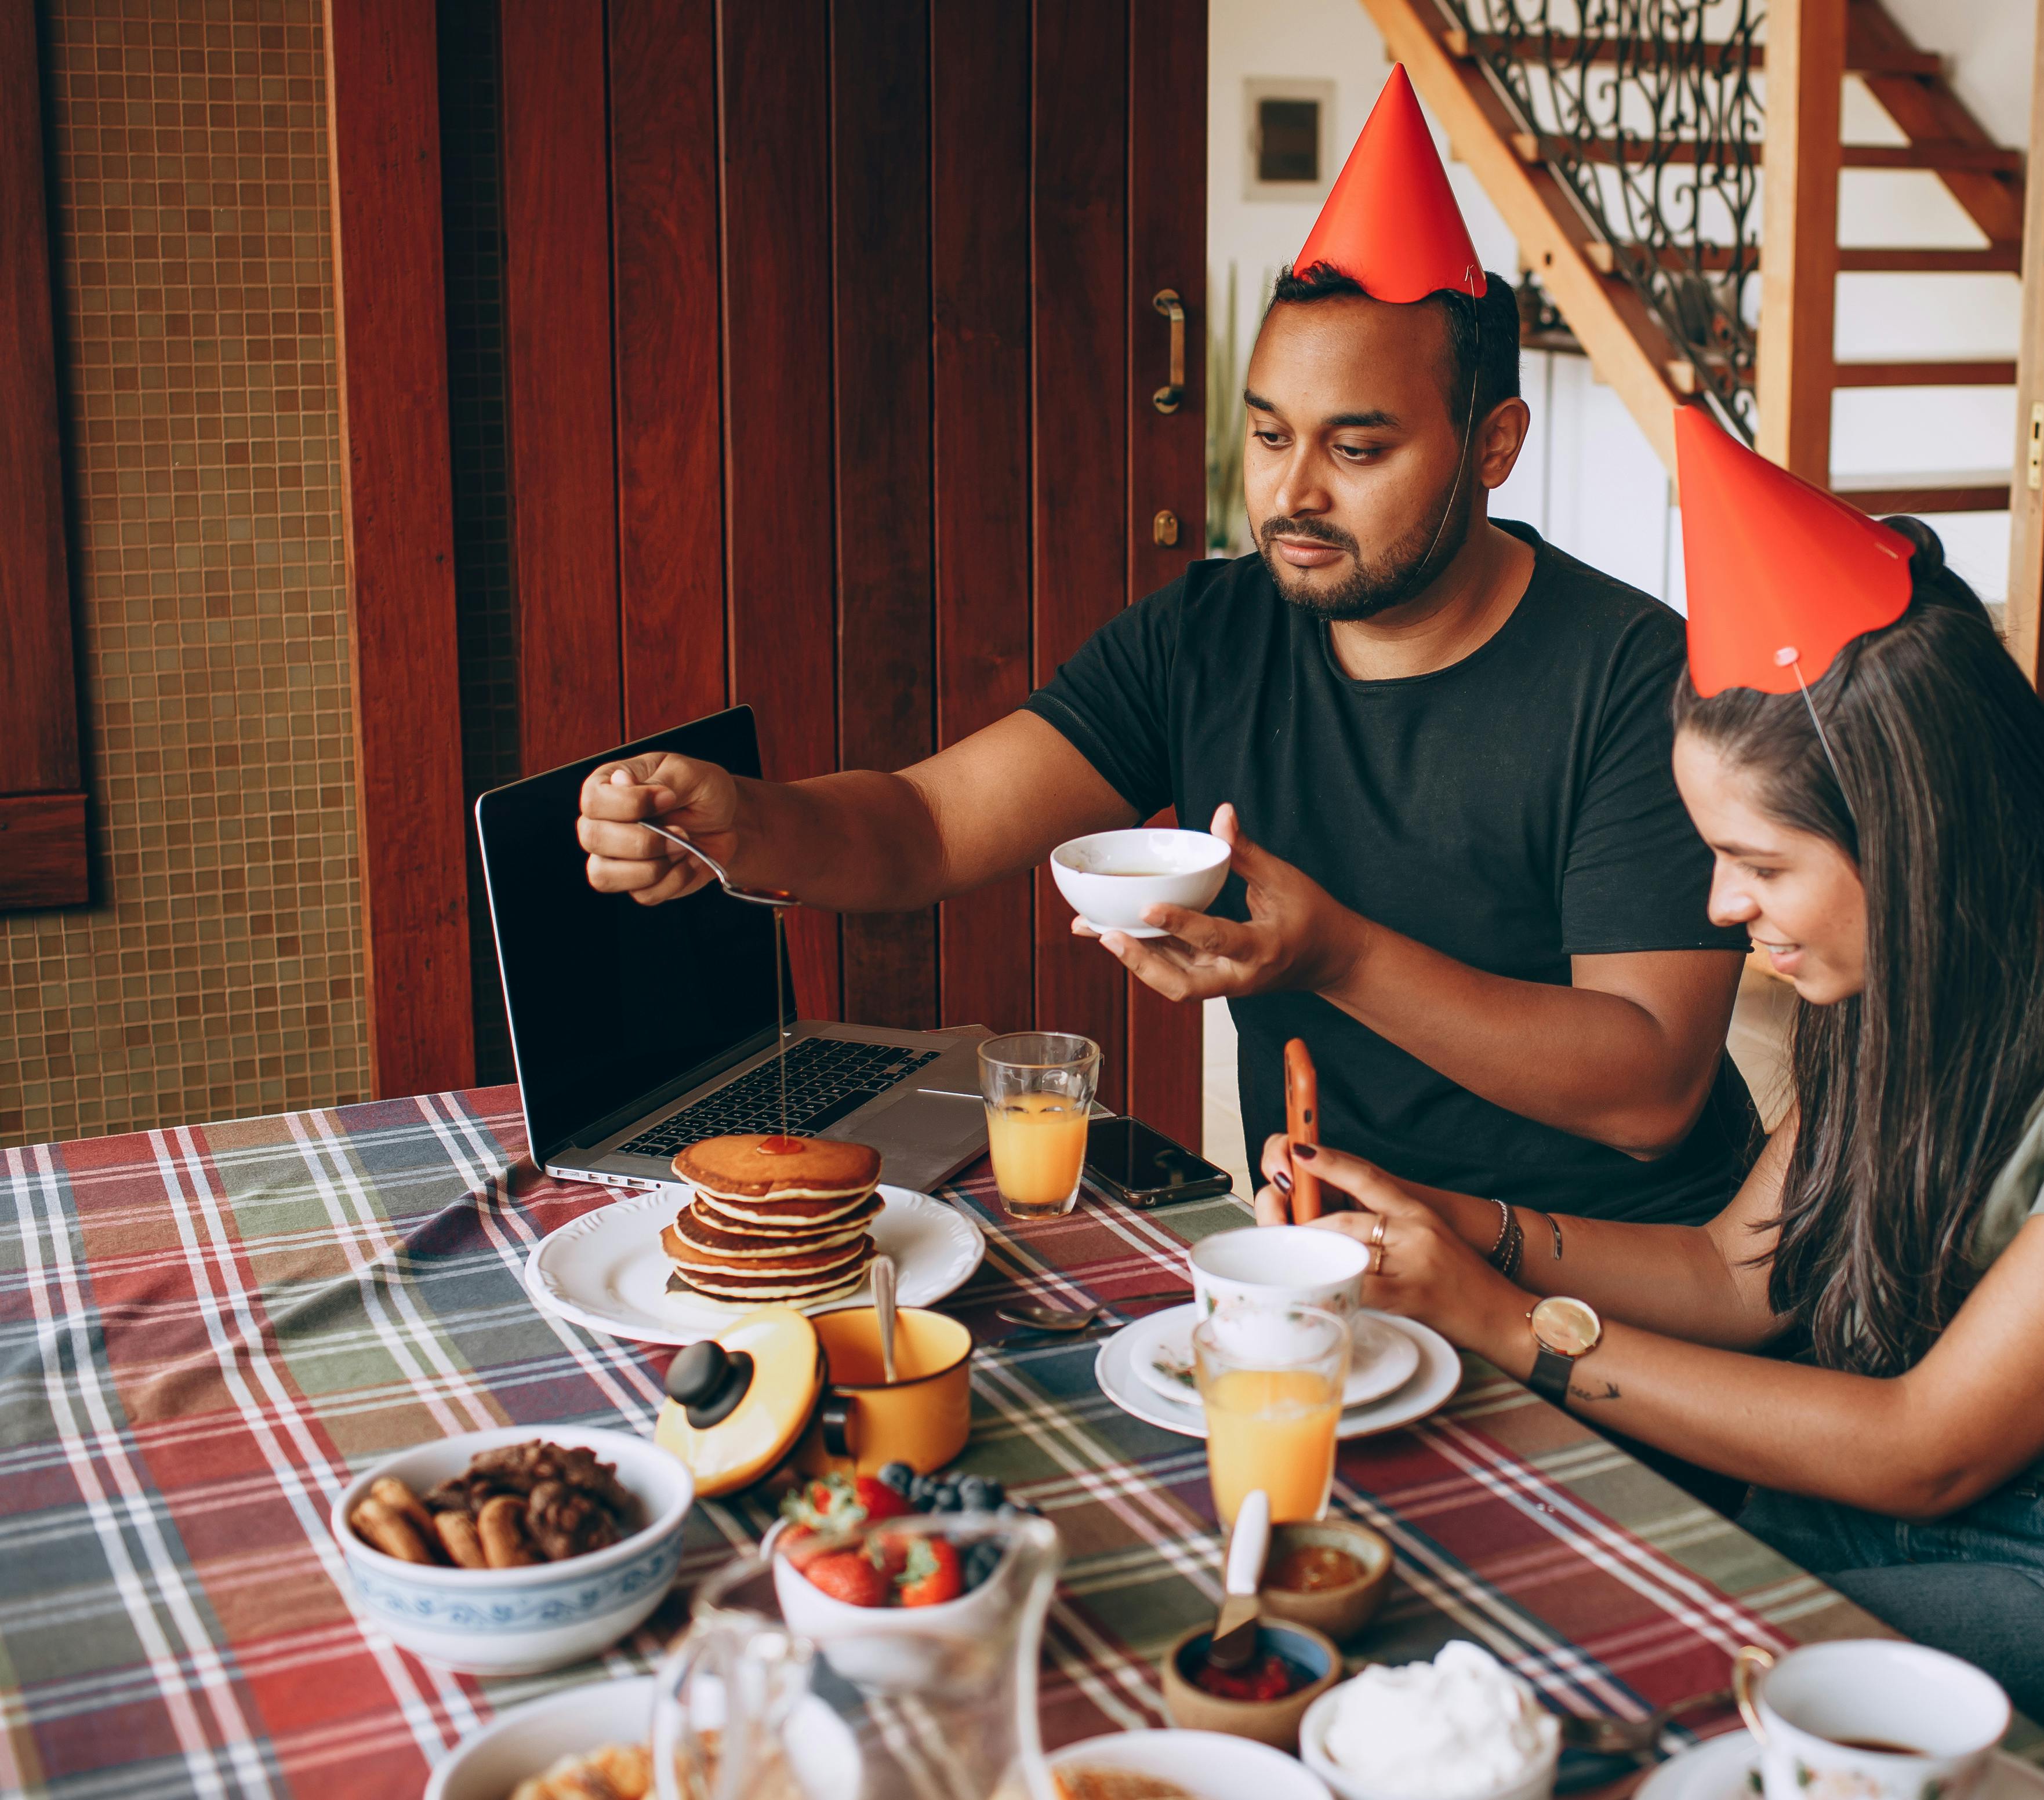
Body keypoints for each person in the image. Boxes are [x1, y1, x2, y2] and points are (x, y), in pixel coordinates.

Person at [1258, 409, 2044, 1800]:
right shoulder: (1908, 974)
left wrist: (1507, 1327)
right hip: (1859, 1519)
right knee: (1474, 1585)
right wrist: (1459, 1229)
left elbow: (1928, 1448)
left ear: (1914, 831)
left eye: (1757, 865)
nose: (1724, 909)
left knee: (1641, 1681)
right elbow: (1733, 1274)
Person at [574, 71, 1756, 1226]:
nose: (1289, 495)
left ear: (1492, 445)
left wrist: (1336, 956)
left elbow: (1650, 1090)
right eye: (1267, 433)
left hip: (1609, 1295)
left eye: (1357, 449)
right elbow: (926, 825)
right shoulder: (1214, 631)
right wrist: (743, 820)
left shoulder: (1635, 676)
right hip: (1334, 1269)